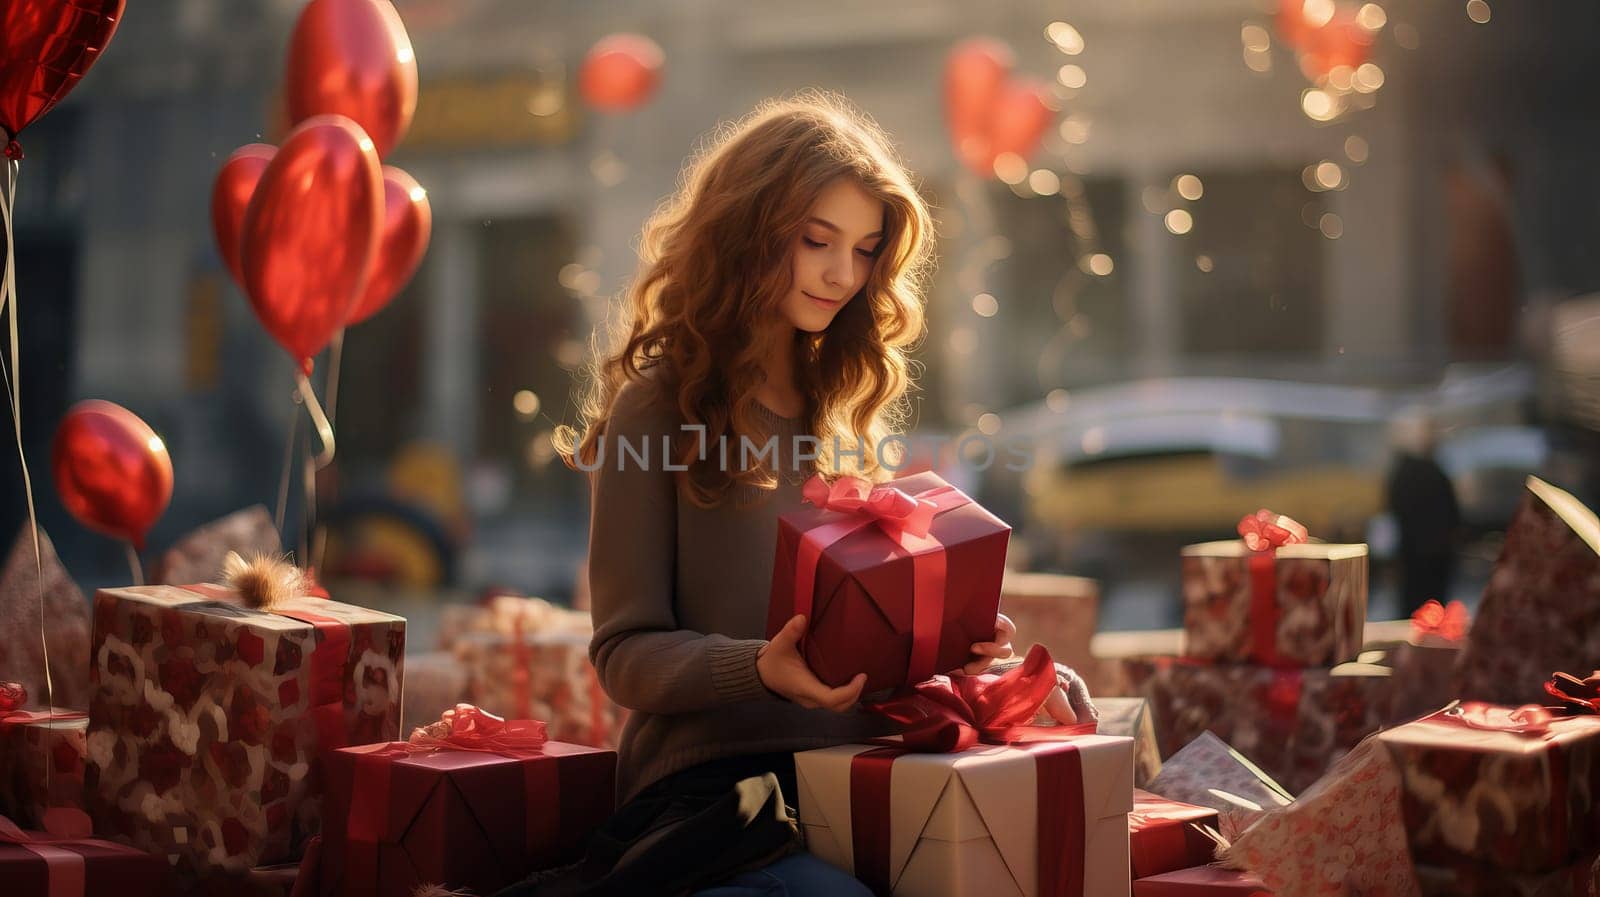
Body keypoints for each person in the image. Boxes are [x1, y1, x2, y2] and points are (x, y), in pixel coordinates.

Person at [525, 92, 1096, 897]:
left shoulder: (848, 405)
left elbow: (859, 648)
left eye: (865, 250)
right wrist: (761, 668)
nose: (842, 273)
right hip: (722, 797)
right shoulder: (657, 407)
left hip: (863, 775)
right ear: (746, 234)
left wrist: (946, 650)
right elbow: (624, 655)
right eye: (815, 239)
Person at [1385, 410, 1462, 618]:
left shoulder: (1403, 473)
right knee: (1429, 612)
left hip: (1415, 557)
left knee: (1414, 613)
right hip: (1429, 557)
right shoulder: (1431, 472)